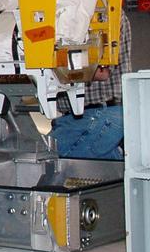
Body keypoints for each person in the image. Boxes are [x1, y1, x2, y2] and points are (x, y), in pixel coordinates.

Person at [51, 9, 131, 160]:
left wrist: (47, 68)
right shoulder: (62, 14)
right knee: (107, 176)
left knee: (49, 164)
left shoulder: (104, 15)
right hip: (86, 117)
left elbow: (101, 72)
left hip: (98, 115)